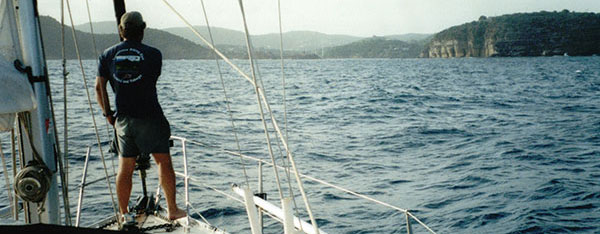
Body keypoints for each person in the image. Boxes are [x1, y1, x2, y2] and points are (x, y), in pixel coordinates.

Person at [95, 11, 186, 221]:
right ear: (143, 29)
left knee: (125, 167)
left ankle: (124, 214)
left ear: (121, 30)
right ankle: (172, 209)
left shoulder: (106, 55)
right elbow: (151, 79)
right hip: (150, 116)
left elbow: (99, 89)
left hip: (123, 119)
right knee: (163, 162)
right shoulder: (154, 54)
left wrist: (108, 114)